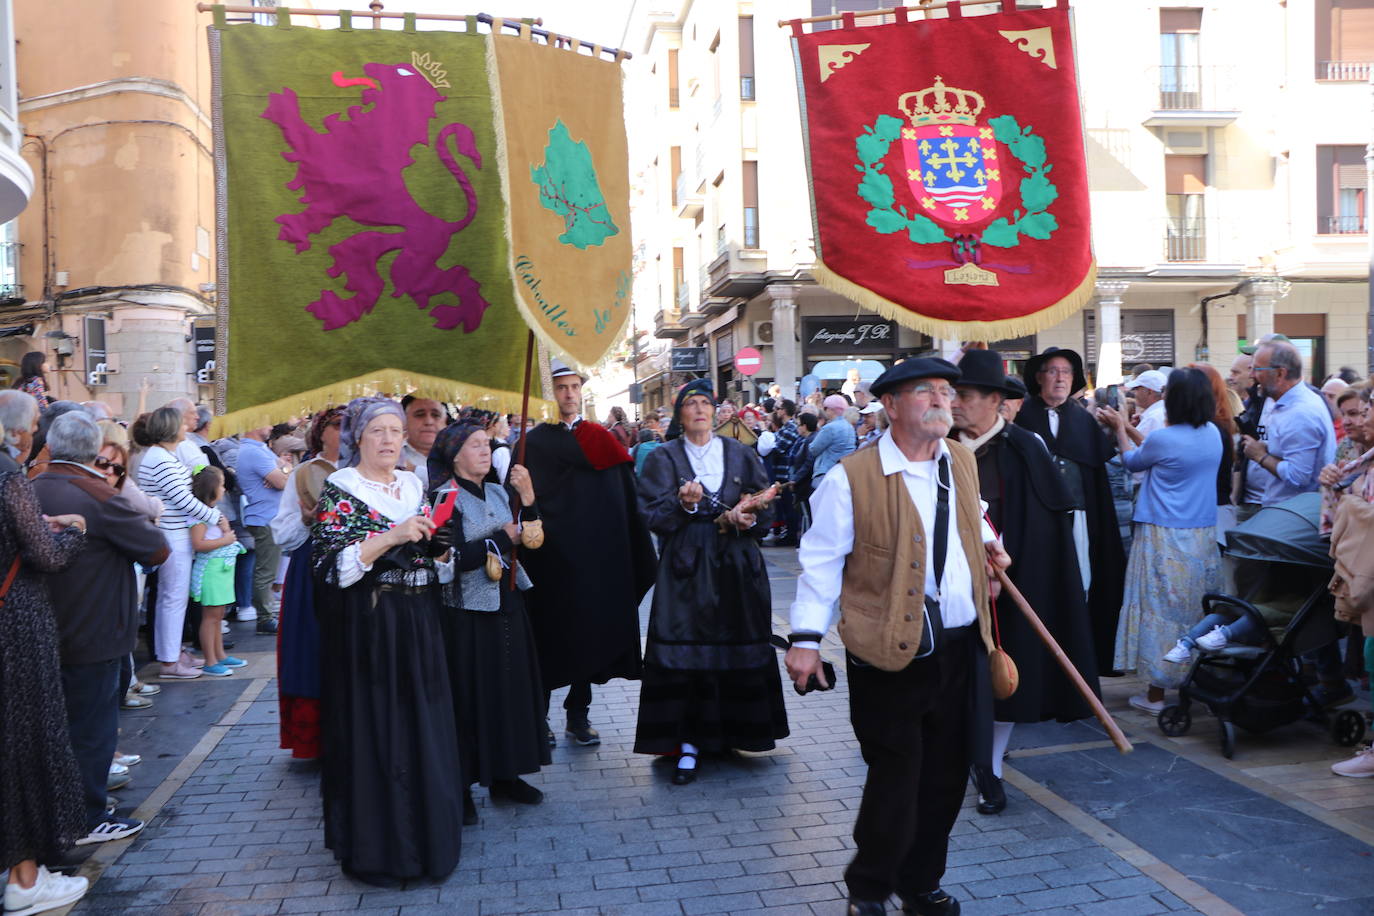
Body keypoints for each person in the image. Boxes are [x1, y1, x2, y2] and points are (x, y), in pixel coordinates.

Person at [785, 358, 1009, 916]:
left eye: (946, 390)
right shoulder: (850, 477)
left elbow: (973, 519)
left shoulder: (959, 460)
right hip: (888, 653)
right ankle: (868, 889)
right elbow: (819, 563)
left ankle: (920, 883)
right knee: (896, 778)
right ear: (890, 405)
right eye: (925, 391)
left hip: (961, 645)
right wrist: (806, 640)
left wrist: (992, 548)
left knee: (946, 779)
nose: (942, 400)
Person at [310, 396, 462, 885]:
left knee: (422, 727)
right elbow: (331, 567)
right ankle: (383, 853)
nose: (390, 440)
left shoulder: (414, 483)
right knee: (380, 730)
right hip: (371, 626)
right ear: (358, 437)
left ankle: (427, 844)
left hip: (420, 620)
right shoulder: (341, 488)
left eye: (396, 431)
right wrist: (394, 537)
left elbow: (433, 559)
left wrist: (440, 549)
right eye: (379, 431)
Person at [950, 350, 1098, 816]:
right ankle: (955, 758)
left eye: (966, 395)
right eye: (952, 394)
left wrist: (1011, 564)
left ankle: (989, 768)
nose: (955, 403)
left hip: (1011, 585)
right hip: (946, 586)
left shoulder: (1026, 446)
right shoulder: (934, 446)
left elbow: (1046, 527)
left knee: (1006, 676)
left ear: (996, 400)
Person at [634, 379, 789, 785]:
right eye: (691, 404)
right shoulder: (663, 457)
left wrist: (749, 516)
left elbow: (765, 504)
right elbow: (650, 515)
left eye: (706, 402)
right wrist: (682, 504)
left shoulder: (739, 453)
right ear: (679, 414)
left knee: (737, 639)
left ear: (717, 410)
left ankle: (735, 732)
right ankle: (687, 742)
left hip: (736, 562)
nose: (700, 409)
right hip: (686, 566)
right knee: (688, 649)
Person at [31, 411, 168, 849]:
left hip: (38, 630)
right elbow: (157, 548)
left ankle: (57, 815)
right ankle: (88, 816)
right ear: (94, 452)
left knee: (55, 731)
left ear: (51, 445)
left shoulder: (29, 487)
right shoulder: (97, 494)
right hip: (94, 631)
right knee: (91, 732)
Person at [520, 360, 656, 747]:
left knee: (588, 635)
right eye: (561, 387)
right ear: (551, 394)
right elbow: (524, 503)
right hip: (548, 559)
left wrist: (626, 546)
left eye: (574, 387)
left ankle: (578, 715)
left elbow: (622, 501)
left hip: (594, 558)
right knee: (547, 636)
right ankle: (538, 717)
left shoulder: (601, 438)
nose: (568, 394)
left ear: (581, 391)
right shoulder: (532, 444)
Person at [426, 422, 549, 824]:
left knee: (507, 692)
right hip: (464, 613)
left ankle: (505, 774)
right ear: (454, 455)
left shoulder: (499, 491)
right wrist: (501, 539)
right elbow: (452, 558)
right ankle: (460, 786)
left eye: (487, 444)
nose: (485, 450)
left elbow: (531, 539)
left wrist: (528, 500)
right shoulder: (444, 497)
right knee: (466, 698)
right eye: (475, 445)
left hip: (508, 605)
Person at [1099, 368, 1222, 713]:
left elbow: (1131, 460)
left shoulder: (1166, 438)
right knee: (1193, 609)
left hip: (1162, 534)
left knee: (1159, 611)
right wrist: (1131, 430)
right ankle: (1192, 679)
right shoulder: (1212, 433)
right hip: (1201, 534)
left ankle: (1155, 693)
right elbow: (1156, 451)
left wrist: (1121, 427)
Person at [0, 452, 91, 916]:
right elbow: (47, 555)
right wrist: (74, 530)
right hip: (12, 631)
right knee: (21, 745)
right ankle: (25, 877)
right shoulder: (4, 474)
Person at [1016, 347, 1127, 674]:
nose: (1060, 378)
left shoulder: (1083, 419)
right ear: (1039, 377)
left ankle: (1076, 652)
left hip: (1078, 517)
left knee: (1080, 582)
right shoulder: (1022, 417)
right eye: (1052, 371)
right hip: (1034, 519)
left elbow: (1095, 476)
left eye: (1066, 372)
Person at [135, 405, 224, 679]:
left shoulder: (162, 456)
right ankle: (170, 661)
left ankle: (171, 654)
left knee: (171, 600)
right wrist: (216, 517)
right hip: (171, 536)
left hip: (173, 534)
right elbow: (183, 500)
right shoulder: (161, 459)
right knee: (172, 599)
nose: (187, 427)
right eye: (182, 424)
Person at [274, 407, 341, 760]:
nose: (345, 431)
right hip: (313, 572)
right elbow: (282, 534)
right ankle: (317, 739)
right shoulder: (305, 472)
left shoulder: (372, 469)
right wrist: (306, 520)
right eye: (337, 424)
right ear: (321, 431)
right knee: (313, 651)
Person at [188, 467, 246, 677]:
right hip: (210, 570)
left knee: (218, 615)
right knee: (210, 617)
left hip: (221, 569)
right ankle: (210, 660)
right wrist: (225, 539)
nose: (224, 489)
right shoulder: (199, 516)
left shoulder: (214, 513)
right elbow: (198, 543)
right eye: (221, 485)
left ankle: (220, 655)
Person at [237, 424, 287, 635]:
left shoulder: (257, 450)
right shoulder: (254, 451)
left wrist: (282, 470)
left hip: (266, 517)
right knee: (266, 571)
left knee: (268, 569)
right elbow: (283, 482)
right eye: (266, 422)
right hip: (265, 517)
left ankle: (266, 615)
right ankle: (265, 618)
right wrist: (282, 472)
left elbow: (282, 475)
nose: (271, 426)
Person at [808, 394, 858, 488]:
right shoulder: (850, 426)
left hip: (826, 471)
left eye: (825, 408)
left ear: (832, 409)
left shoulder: (829, 428)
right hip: (845, 470)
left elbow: (813, 449)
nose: (824, 410)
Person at [400, 395, 446, 490]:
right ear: (404, 421)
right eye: (420, 415)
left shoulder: (459, 456)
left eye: (435, 415)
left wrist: (414, 470)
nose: (429, 422)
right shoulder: (392, 455)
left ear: (445, 422)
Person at [0, 390, 36, 473]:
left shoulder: (11, 457)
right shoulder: (7, 469)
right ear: (15, 431)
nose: (36, 428)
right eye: (34, 423)